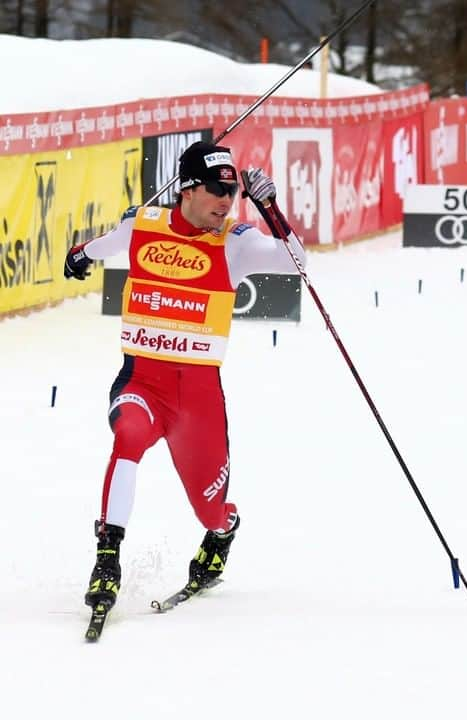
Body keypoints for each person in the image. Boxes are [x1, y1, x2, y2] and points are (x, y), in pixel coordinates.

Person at [64, 141, 307, 610]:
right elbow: (100, 246)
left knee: (209, 508)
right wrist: (79, 256)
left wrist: (270, 208)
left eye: (233, 191)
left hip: (198, 402)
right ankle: (107, 559)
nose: (226, 201)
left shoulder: (236, 243)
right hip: (143, 383)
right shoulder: (144, 225)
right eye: (217, 189)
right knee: (128, 438)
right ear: (188, 190)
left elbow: (298, 263)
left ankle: (222, 531)